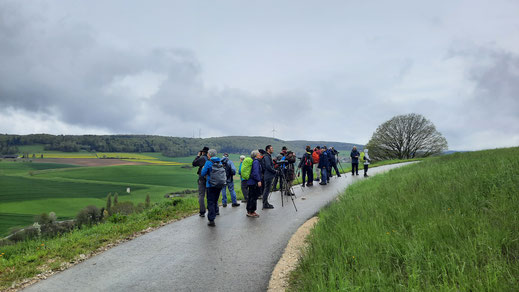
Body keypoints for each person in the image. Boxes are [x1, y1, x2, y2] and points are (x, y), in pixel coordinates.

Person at [200, 149, 225, 226]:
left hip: (210, 185)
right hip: (219, 185)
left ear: (209, 155)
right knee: (215, 201)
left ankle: (211, 220)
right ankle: (215, 212)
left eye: (208, 154)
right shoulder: (219, 162)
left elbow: (203, 173)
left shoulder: (208, 162)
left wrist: (203, 168)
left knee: (210, 201)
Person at [192, 146, 209, 217]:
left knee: (201, 195)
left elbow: (194, 163)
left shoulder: (201, 158)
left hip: (202, 178)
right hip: (209, 178)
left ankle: (202, 212)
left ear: (202, 152)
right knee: (210, 195)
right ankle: (215, 210)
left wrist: (198, 156)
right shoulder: (209, 158)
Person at [246, 150, 263, 218]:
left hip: (251, 182)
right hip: (254, 182)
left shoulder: (254, 161)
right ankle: (251, 211)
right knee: (253, 197)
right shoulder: (256, 162)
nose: (260, 154)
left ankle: (249, 210)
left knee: (251, 196)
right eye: (259, 153)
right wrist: (259, 180)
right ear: (256, 155)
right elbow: (255, 172)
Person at [262, 145, 276, 209]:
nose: (272, 149)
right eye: (271, 148)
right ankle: (265, 204)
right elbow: (268, 166)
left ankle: (266, 203)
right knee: (267, 190)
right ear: (268, 149)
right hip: (268, 175)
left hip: (268, 175)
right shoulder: (267, 157)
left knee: (267, 189)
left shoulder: (267, 156)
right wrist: (274, 171)